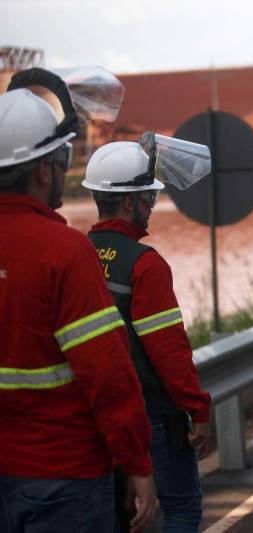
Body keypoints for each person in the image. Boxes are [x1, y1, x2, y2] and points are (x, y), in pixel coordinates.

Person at [0, 70, 157, 532]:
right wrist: (138, 463)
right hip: (64, 478)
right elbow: (107, 373)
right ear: (44, 168)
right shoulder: (64, 251)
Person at [80, 137, 213, 532]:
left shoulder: (77, 253)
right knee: (182, 508)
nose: (150, 209)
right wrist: (198, 409)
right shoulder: (145, 264)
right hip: (152, 415)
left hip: (97, 415)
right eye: (148, 200)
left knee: (117, 516)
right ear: (128, 203)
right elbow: (168, 350)